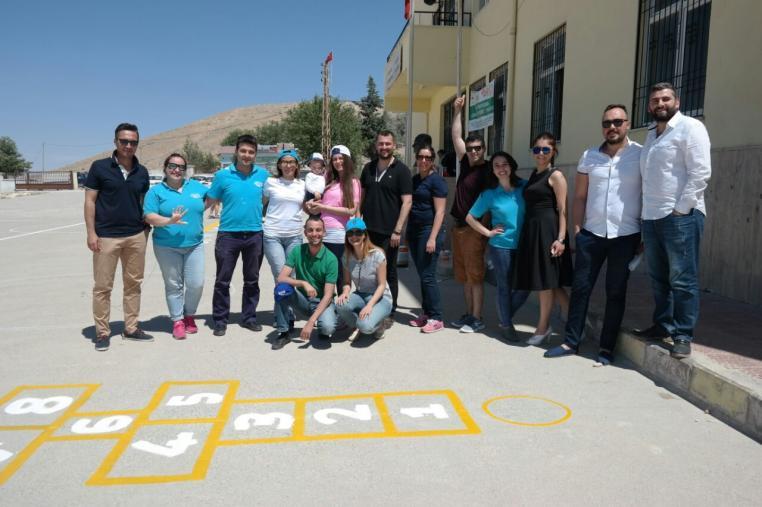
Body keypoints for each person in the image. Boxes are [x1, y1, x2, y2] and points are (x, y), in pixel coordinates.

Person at [544, 105, 642, 364]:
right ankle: (570, 342)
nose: (612, 127)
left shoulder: (641, 155)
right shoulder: (589, 156)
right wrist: (577, 230)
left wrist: (645, 236)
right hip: (592, 234)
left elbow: (648, 195)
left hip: (626, 235)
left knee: (616, 292)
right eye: (607, 123)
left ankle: (606, 349)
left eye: (618, 122)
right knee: (581, 290)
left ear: (628, 124)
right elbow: (580, 197)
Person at [634, 82, 711, 359]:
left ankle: (682, 334)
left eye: (665, 99)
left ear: (676, 102)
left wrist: (681, 210)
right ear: (649, 106)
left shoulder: (691, 127)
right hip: (652, 217)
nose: (660, 104)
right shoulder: (650, 136)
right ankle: (662, 325)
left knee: (682, 279)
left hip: (680, 217)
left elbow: (700, 172)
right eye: (655, 100)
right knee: (658, 278)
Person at [84, 122, 152, 351]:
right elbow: (90, 201)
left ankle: (131, 327)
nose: (128, 145)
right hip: (106, 237)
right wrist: (91, 233)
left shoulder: (141, 172)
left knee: (133, 284)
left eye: (133, 142)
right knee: (103, 286)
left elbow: (143, 203)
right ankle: (102, 333)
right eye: (124, 141)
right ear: (115, 142)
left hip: (135, 236)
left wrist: (145, 229)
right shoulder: (100, 167)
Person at [206, 134, 269, 336]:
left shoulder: (263, 175)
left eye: (251, 152)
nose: (247, 155)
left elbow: (269, 199)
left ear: (255, 154)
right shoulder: (223, 176)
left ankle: (249, 317)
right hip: (228, 235)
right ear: (236, 152)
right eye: (243, 151)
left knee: (252, 280)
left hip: (254, 235)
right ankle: (220, 320)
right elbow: (208, 202)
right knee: (223, 280)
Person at [513, 132, 572, 346]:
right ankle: (575, 322)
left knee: (546, 283)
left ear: (553, 152)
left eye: (545, 150)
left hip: (549, 232)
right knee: (550, 282)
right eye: (537, 149)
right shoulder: (534, 174)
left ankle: (543, 327)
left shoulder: (555, 175)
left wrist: (561, 239)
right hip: (533, 231)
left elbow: (563, 209)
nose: (540, 153)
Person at [143, 153, 211, 340]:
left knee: (196, 283)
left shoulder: (196, 187)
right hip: (167, 247)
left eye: (181, 167)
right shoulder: (156, 192)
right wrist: (169, 221)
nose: (176, 170)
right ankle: (178, 320)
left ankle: (190, 315)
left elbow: (211, 198)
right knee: (174, 284)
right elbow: (149, 216)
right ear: (165, 168)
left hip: (194, 245)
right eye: (172, 166)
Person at [466, 151, 529, 342]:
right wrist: (487, 232)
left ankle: (505, 316)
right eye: (497, 166)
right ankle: (506, 324)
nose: (501, 168)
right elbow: (470, 217)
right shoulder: (489, 194)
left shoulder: (524, 187)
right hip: (501, 246)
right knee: (504, 286)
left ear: (511, 165)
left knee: (525, 285)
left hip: (524, 244)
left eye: (505, 164)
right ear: (492, 170)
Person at [359, 130, 413, 327]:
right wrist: (357, 222)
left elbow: (407, 202)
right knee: (370, 271)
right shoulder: (368, 168)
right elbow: (362, 197)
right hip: (368, 230)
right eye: (381, 144)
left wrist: (398, 230)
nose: (384, 147)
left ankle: (390, 310)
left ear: (394, 145)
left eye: (388, 144)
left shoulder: (402, 171)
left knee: (389, 272)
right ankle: (373, 305)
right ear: (376, 146)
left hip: (390, 233)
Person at [449, 95, 490, 333]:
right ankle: (468, 314)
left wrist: (482, 232)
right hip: (458, 228)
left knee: (475, 277)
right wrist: (456, 112)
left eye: (478, 148)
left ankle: (477, 318)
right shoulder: (465, 162)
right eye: (471, 148)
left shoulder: (489, 170)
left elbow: (492, 203)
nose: (473, 152)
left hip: (474, 231)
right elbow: (456, 136)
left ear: (484, 150)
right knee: (464, 276)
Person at [273, 216, 339, 350]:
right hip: (303, 300)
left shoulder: (331, 259)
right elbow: (281, 277)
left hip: (322, 302)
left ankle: (326, 319)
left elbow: (328, 296)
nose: (315, 234)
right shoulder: (298, 250)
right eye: (311, 230)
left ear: (324, 232)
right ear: (305, 233)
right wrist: (302, 283)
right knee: (281, 288)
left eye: (318, 230)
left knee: (327, 328)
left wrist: (310, 322)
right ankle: (284, 332)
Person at [306, 145, 361, 293]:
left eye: (341, 158)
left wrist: (323, 208)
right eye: (335, 159)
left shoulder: (353, 182)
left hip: (339, 236)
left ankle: (343, 307)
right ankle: (329, 308)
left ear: (347, 160)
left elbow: (351, 210)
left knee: (341, 276)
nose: (337, 162)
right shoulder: (329, 181)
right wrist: (313, 204)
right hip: (323, 234)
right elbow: (324, 203)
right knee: (326, 273)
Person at [263, 149, 305, 336]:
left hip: (295, 236)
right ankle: (284, 318)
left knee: (292, 275)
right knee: (281, 276)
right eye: (285, 162)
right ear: (279, 165)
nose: (288, 165)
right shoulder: (270, 182)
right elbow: (262, 203)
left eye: (292, 162)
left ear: (297, 165)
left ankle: (285, 313)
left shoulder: (302, 185)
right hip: (272, 235)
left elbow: (306, 206)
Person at [407, 145, 448, 333]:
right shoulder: (415, 180)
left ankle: (437, 317)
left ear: (432, 160)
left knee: (428, 275)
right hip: (414, 231)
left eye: (428, 158)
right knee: (423, 274)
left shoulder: (437, 181)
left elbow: (440, 212)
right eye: (420, 157)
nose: (423, 161)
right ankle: (426, 312)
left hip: (429, 231)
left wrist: (432, 238)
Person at [335, 217, 392, 340]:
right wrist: (345, 292)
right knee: (340, 305)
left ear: (364, 235)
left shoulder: (377, 254)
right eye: (350, 233)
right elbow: (346, 282)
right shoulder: (347, 256)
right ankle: (356, 326)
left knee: (366, 327)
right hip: (361, 294)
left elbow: (382, 285)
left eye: (358, 232)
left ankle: (380, 324)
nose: (354, 236)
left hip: (381, 297)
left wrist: (369, 305)